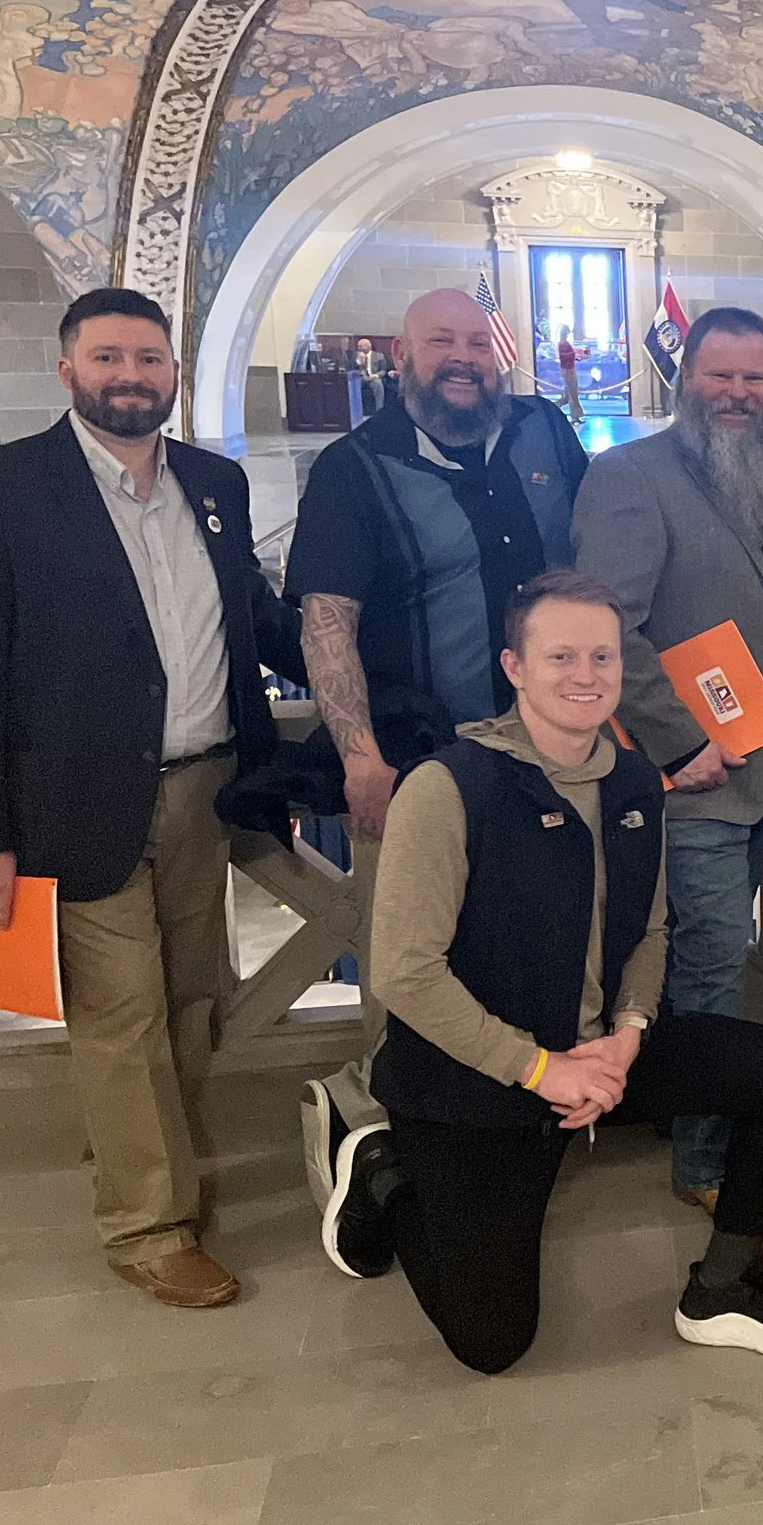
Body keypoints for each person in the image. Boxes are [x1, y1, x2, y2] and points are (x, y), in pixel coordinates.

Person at [315, 570, 763, 1373]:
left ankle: (726, 1281)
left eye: (601, 655)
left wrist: (628, 1036)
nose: (586, 674)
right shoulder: (449, 786)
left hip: (599, 1053)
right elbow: (406, 974)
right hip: (478, 1071)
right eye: (561, 655)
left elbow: (651, 926)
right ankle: (383, 1168)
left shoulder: (634, 780)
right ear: (514, 666)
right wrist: (539, 1069)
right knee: (492, 1341)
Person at [0, 287, 304, 1308]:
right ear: (68, 370)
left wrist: (363, 676)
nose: (130, 375)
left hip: (203, 791)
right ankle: (147, 1223)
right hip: (71, 802)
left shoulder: (214, 485)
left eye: (149, 358)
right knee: (121, 1011)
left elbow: (255, 623)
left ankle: (144, 1161)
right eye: (108, 358)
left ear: (173, 371)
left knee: (188, 997)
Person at [290, 287, 591, 1213]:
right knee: (415, 959)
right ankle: (399, 1140)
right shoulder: (355, 466)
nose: (463, 356)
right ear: (401, 352)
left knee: (537, 942)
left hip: (550, 755)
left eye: (476, 341)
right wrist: (359, 755)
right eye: (441, 341)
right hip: (425, 763)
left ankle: (524, 1122)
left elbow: (586, 574)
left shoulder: (543, 432)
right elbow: (326, 623)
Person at [572, 307, 763, 1211]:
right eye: (721, 375)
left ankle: (685, 1113)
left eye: (755, 378)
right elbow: (604, 628)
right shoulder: (631, 476)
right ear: (685, 378)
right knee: (710, 964)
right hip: (694, 777)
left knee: (715, 959)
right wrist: (680, 740)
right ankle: (704, 1165)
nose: (739, 393)